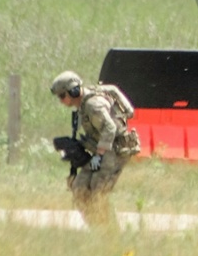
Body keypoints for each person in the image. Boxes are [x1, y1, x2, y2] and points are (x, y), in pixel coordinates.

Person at [50, 71, 138, 229]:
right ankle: (97, 228)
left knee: (97, 191)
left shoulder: (93, 105)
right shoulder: (83, 104)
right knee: (80, 188)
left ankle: (110, 232)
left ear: (74, 91)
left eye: (62, 96)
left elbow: (110, 128)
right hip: (103, 150)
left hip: (114, 150)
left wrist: (99, 155)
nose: (61, 101)